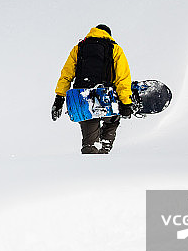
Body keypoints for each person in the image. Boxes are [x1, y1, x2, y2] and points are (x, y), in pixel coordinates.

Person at [51, 24, 133, 154]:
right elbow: (122, 79)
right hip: (106, 98)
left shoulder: (79, 48)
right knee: (112, 121)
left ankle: (91, 157)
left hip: (82, 98)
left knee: (90, 143)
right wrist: (126, 103)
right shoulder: (115, 49)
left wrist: (59, 98)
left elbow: (66, 75)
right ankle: (105, 146)